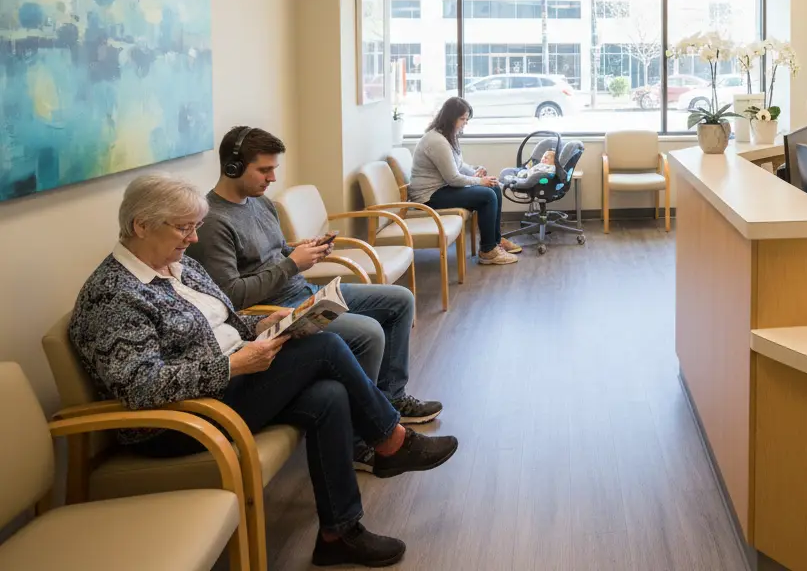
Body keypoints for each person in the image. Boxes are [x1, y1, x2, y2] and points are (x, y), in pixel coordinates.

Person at [69, 174, 459, 567]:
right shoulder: (114, 294)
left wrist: (261, 325)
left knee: (329, 395)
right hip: (179, 420)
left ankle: (339, 533)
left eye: (195, 227)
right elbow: (141, 386)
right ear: (141, 225)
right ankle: (390, 440)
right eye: (184, 228)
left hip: (229, 382)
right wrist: (233, 364)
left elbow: (222, 321)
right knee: (325, 348)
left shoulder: (179, 265)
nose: (193, 239)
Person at [187, 126, 442, 470]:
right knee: (367, 333)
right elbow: (230, 296)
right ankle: (357, 442)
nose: (272, 178)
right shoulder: (213, 222)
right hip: (272, 310)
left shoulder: (261, 203)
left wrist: (305, 250)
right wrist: (293, 264)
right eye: (264, 170)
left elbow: (273, 254)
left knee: (399, 300)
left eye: (273, 169)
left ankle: (390, 400)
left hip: (304, 292)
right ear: (233, 167)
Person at [410, 96, 523, 265]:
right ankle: (488, 251)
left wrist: (476, 174)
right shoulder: (436, 141)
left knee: (494, 189)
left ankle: (495, 242)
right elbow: (454, 178)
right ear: (450, 118)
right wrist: (479, 182)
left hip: (442, 189)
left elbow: (459, 165)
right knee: (487, 195)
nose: (465, 123)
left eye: (466, 119)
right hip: (429, 197)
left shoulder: (448, 136)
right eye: (462, 119)